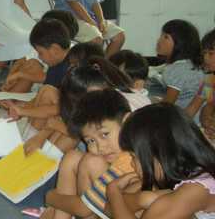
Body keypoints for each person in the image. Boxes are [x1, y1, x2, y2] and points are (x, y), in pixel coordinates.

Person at [40, 90, 142, 219]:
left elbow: (84, 209)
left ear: (126, 121)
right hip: (103, 205)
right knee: (72, 157)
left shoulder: (131, 158)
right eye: (91, 141)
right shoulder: (124, 150)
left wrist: (51, 197)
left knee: (92, 161)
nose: (101, 147)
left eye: (104, 134)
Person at [106, 103, 215, 219]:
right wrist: (142, 199)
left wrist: (113, 192)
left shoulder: (194, 191)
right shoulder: (174, 174)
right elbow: (109, 209)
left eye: (133, 157)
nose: (132, 164)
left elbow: (114, 206)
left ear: (159, 154)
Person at [149, 19, 204, 109]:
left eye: (166, 37)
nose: (159, 40)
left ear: (180, 43)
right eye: (161, 35)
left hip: (182, 115)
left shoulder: (178, 69)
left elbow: (167, 105)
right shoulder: (188, 64)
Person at [199, 30, 215, 140]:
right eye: (204, 53)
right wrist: (207, 121)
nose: (205, 58)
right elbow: (209, 104)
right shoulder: (209, 80)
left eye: (211, 53)